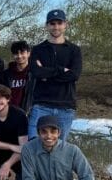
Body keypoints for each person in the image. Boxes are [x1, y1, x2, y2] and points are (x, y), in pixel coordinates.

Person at [28, 9, 82, 140]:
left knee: (59, 148)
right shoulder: (37, 49)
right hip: (41, 105)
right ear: (47, 25)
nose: (56, 27)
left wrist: (46, 73)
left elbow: (74, 75)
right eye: (52, 23)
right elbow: (36, 72)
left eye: (59, 23)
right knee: (33, 144)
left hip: (66, 107)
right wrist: (61, 70)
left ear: (65, 24)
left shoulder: (74, 50)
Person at [3, 40, 32, 111]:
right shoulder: (5, 74)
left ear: (28, 54)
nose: (19, 56)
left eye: (22, 53)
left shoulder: (34, 74)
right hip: (10, 111)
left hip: (29, 112)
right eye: (16, 53)